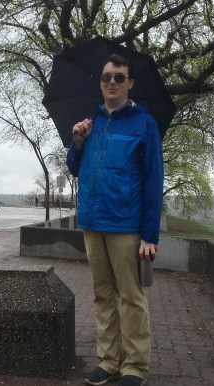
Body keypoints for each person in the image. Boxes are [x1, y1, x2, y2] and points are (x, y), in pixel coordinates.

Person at [67, 53, 163, 386]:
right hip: (92, 223)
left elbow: (153, 180)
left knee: (131, 297)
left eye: (119, 77)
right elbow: (75, 168)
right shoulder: (89, 122)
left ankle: (135, 366)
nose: (112, 82)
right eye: (107, 76)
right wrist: (77, 142)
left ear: (129, 83)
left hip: (126, 225)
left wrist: (150, 235)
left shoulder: (143, 123)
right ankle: (108, 360)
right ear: (100, 81)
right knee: (102, 295)